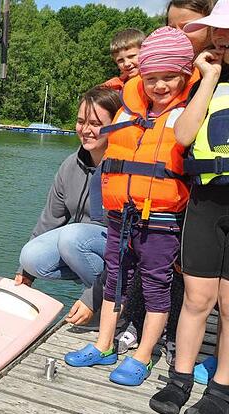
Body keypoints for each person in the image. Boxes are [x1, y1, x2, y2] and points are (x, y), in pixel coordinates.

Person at [64, 27, 199, 387]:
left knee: (156, 286)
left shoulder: (185, 114)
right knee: (114, 280)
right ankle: (104, 344)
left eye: (169, 77)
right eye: (152, 77)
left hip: (161, 218)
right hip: (120, 214)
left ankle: (142, 355)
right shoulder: (126, 106)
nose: (159, 85)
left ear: (184, 76)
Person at [150, 2, 229, 414]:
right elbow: (183, 134)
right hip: (205, 202)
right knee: (197, 298)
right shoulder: (205, 80)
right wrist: (211, 77)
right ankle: (180, 378)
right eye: (216, 30)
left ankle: (221, 388)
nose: (219, 37)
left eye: (227, 31)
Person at [15, 86, 122, 326]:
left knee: (72, 237)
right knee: (31, 255)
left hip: (122, 252)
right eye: (81, 121)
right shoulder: (70, 165)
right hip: (85, 248)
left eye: (95, 123)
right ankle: (102, 298)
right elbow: (50, 219)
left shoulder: (125, 167)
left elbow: (132, 242)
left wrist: (90, 298)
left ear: (115, 124)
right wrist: (25, 273)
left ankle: (109, 301)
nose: (85, 130)